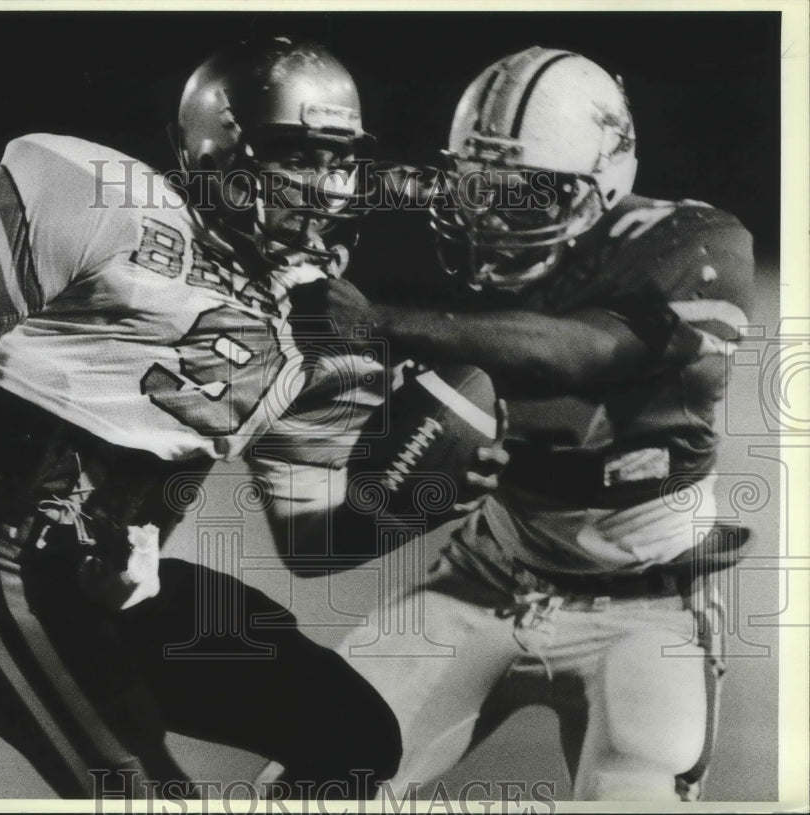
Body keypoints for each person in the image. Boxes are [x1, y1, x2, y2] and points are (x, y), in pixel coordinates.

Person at [0, 36, 402, 800]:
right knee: (147, 795)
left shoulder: (319, 319)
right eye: (295, 154)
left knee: (355, 736)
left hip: (126, 588)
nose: (321, 181)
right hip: (9, 566)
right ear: (221, 146)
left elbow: (311, 538)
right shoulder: (109, 201)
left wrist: (420, 486)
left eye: (336, 157)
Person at [287, 46, 755, 801]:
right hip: (488, 573)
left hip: (646, 605)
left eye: (528, 192)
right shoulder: (450, 269)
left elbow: (581, 352)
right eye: (481, 186)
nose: (496, 215)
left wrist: (382, 324)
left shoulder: (695, 244)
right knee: (309, 782)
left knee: (631, 792)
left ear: (603, 184)